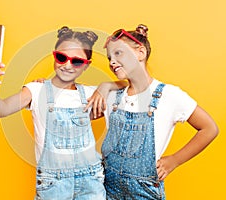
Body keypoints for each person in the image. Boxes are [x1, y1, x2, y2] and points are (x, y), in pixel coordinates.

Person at [0, 26, 107, 199]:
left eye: (77, 61)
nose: (68, 65)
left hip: (91, 182)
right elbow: (1, 108)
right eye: (62, 58)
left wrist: (106, 87)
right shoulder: (36, 90)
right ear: (54, 55)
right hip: (53, 185)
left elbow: (132, 88)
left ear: (87, 65)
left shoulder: (91, 94)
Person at [88, 24, 219, 199]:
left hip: (144, 192)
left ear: (140, 53)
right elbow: (68, 98)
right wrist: (39, 87)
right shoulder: (111, 95)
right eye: (109, 57)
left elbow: (210, 128)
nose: (111, 62)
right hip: (107, 189)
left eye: (118, 53)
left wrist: (174, 160)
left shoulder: (169, 95)